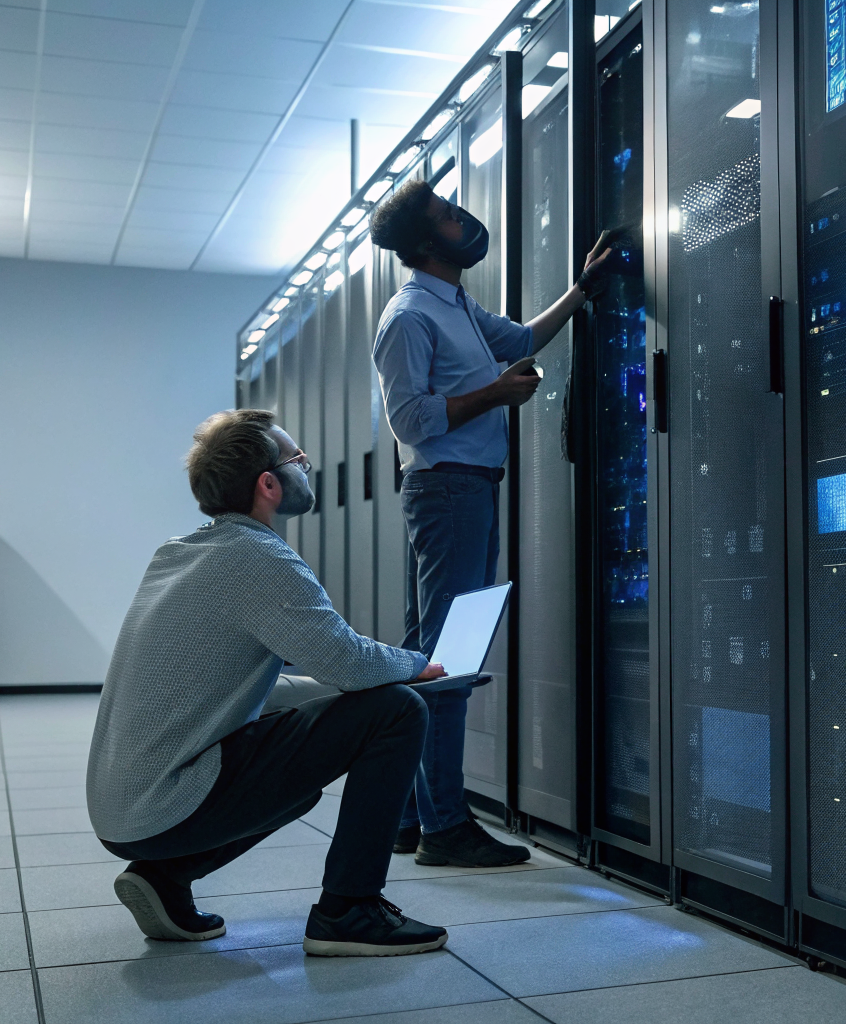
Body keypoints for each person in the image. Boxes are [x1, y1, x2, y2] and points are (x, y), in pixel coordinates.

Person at [86, 409, 453, 957]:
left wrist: (349, 690)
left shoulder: (179, 553)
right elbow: (348, 662)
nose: (308, 467)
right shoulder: (259, 558)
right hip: (164, 806)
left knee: (305, 775)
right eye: (298, 459)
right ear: (268, 484)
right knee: (398, 709)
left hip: (123, 811)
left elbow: (261, 690)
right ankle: (348, 910)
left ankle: (165, 877)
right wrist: (414, 665)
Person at [368, 180, 612, 866]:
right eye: (448, 216)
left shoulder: (457, 306)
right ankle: (445, 826)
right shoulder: (408, 317)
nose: (462, 220)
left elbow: (524, 337)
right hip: (448, 490)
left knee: (425, 655)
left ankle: (408, 816)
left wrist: (582, 290)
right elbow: (410, 420)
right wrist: (496, 393)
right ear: (426, 242)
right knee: (450, 656)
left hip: (466, 489)